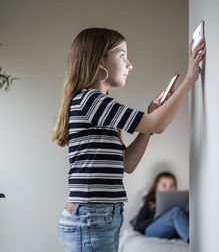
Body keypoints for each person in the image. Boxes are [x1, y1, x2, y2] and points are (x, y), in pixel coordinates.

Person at [53, 28, 205, 252]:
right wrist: (190, 78)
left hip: (100, 216)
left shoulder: (97, 105)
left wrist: (150, 119)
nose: (129, 64)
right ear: (99, 61)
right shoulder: (91, 101)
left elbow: (128, 164)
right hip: (92, 217)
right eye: (122, 54)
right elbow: (158, 124)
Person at [134, 171, 189, 243]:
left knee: (189, 206)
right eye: (164, 185)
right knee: (176, 212)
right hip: (153, 230)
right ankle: (195, 243)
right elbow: (137, 227)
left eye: (172, 186)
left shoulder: (180, 201)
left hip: (174, 229)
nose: (168, 189)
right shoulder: (150, 203)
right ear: (156, 187)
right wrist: (156, 217)